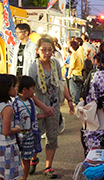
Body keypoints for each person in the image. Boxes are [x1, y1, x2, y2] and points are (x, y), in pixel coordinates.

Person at [28, 37, 74, 179]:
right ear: (37, 50)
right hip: (39, 107)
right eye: (43, 50)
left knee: (52, 137)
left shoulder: (55, 63)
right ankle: (34, 158)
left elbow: (61, 83)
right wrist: (43, 107)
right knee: (36, 135)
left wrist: (69, 100)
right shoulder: (33, 67)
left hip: (54, 107)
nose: (47, 53)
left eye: (50, 50)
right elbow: (30, 92)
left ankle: (48, 166)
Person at [12, 76, 48, 180]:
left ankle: (24, 178)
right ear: (24, 90)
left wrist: (45, 115)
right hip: (17, 135)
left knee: (26, 159)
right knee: (15, 158)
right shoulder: (15, 103)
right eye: (32, 88)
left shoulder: (31, 102)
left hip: (29, 136)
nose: (34, 91)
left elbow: (34, 117)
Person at [0, 74, 23, 180]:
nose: (16, 88)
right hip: (7, 145)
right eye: (14, 86)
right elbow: (6, 131)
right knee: (8, 175)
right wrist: (17, 129)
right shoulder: (7, 108)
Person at [67, 40, 83, 105]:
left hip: (74, 74)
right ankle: (77, 100)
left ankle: (76, 101)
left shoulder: (73, 55)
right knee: (77, 89)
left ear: (71, 46)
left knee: (73, 89)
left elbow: (72, 66)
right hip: (79, 73)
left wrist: (69, 74)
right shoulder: (77, 54)